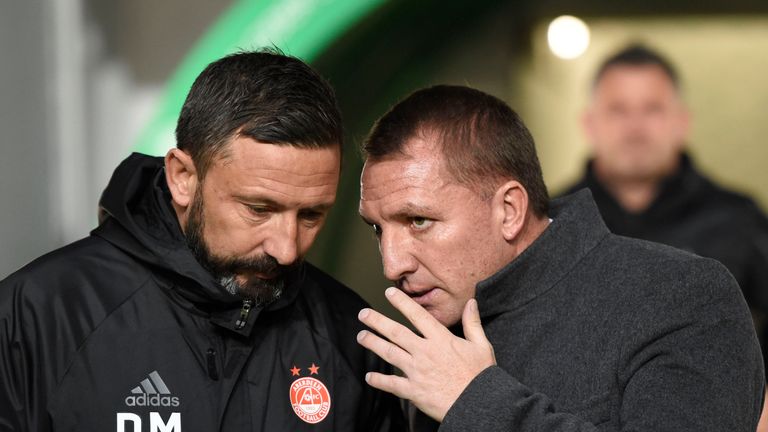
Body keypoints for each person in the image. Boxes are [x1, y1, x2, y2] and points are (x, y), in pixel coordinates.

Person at [0, 49, 402, 431]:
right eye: (258, 209)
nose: (286, 249)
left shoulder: (354, 341)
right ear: (183, 178)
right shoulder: (35, 317)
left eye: (311, 215)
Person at [355, 84, 764, 431]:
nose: (392, 265)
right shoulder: (429, 342)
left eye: (419, 220)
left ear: (510, 210)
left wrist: (476, 401)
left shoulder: (682, 297)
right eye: (377, 228)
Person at [562, 44, 768, 363]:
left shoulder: (738, 218)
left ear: (682, 122)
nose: (635, 128)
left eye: (653, 109)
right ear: (589, 124)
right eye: (618, 110)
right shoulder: (551, 221)